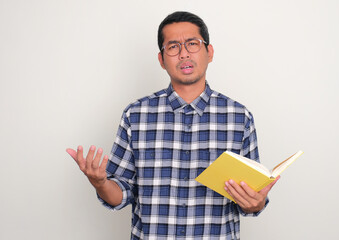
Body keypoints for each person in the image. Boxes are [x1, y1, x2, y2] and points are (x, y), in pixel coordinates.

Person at [67, 11, 279, 239]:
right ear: (161, 59)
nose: (184, 53)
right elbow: (120, 193)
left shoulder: (239, 117)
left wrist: (254, 203)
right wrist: (100, 183)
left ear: (209, 52)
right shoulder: (135, 115)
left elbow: (249, 201)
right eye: (173, 47)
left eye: (192, 44)